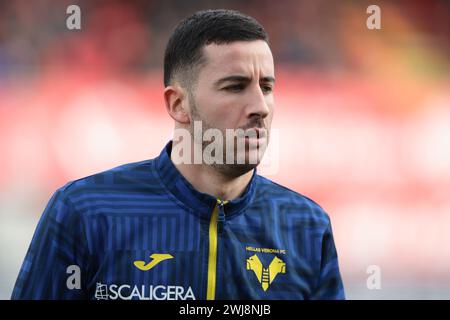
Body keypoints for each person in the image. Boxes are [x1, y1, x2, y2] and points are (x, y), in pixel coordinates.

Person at [12, 9, 345, 300]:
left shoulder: (306, 226)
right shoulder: (86, 212)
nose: (260, 106)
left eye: (267, 87)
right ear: (177, 104)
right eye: (235, 86)